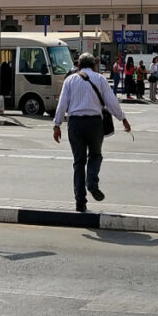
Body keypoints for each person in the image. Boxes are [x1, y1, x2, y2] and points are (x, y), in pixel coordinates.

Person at [51, 53, 131, 212]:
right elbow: (111, 101)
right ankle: (92, 182)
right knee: (95, 155)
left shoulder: (70, 80)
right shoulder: (100, 79)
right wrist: (122, 118)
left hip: (75, 124)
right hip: (95, 123)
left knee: (78, 162)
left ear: (79, 66)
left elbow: (62, 104)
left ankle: (80, 202)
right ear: (94, 65)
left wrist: (56, 125)